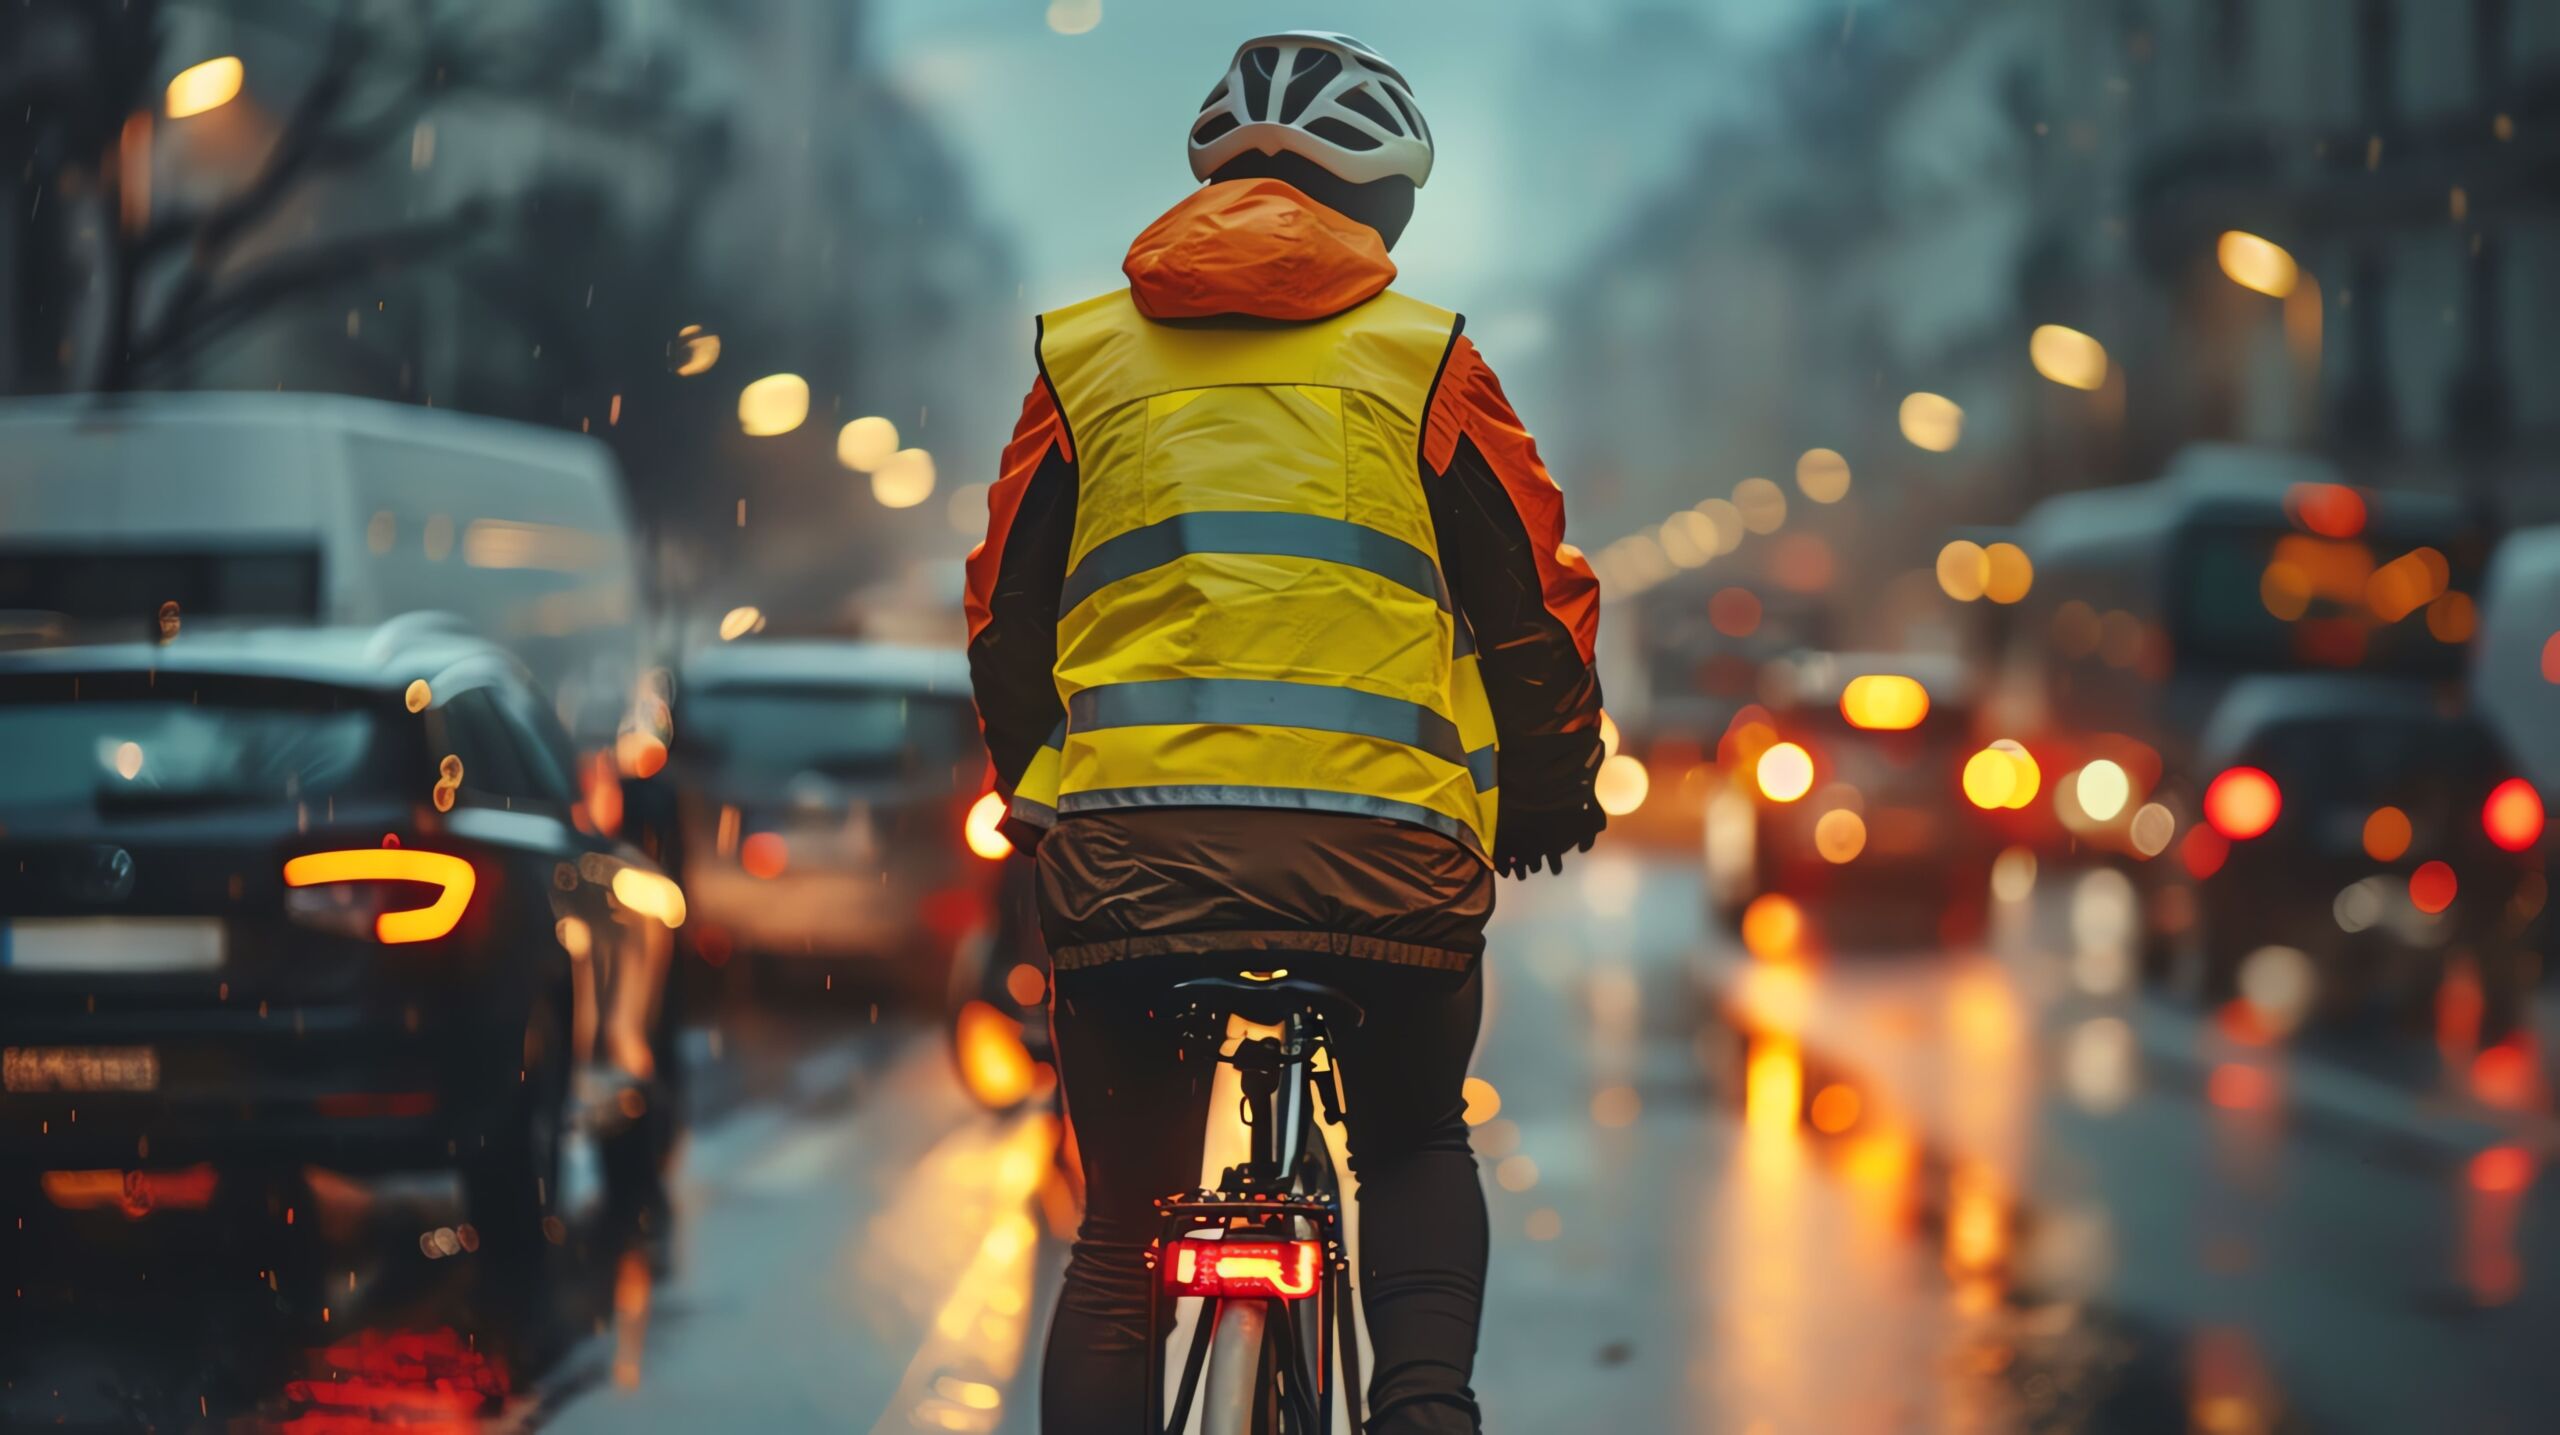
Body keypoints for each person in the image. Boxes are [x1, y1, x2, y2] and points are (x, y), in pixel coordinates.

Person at [965, 31, 1603, 1433]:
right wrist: (1553, 789)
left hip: (1129, 865)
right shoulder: (1425, 360)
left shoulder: (1084, 359)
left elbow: (1005, 620)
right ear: (1385, 206)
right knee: (1416, 1139)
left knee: (1121, 1232)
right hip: (1387, 864)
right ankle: (1424, 1407)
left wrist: (1037, 791)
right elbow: (1534, 613)